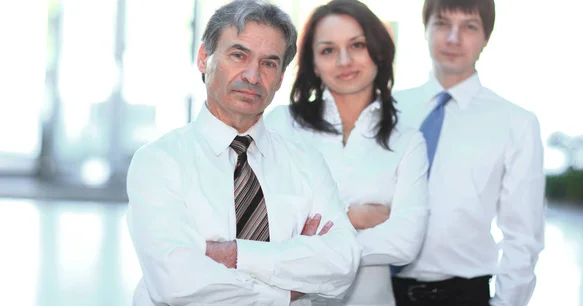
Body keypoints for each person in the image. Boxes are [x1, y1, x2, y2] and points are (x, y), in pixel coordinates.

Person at [125, 1, 362, 305]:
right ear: (203, 58)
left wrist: (232, 255)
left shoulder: (306, 163)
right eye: (238, 55)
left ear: (280, 78)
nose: (252, 76)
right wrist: (288, 286)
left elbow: (342, 263)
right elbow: (177, 283)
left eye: (269, 63)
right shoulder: (158, 162)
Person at [266, 1, 429, 305]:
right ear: (313, 62)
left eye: (357, 45)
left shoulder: (407, 141)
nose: (344, 60)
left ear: (378, 51)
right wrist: (352, 215)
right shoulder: (281, 124)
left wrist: (307, 248)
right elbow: (268, 224)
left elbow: (405, 241)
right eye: (328, 50)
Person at [391, 0, 545, 305]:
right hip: (378, 291)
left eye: (469, 27)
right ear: (426, 29)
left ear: (486, 37)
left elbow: (522, 236)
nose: (453, 38)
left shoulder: (516, 123)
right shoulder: (389, 110)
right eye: (443, 24)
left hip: (462, 294)